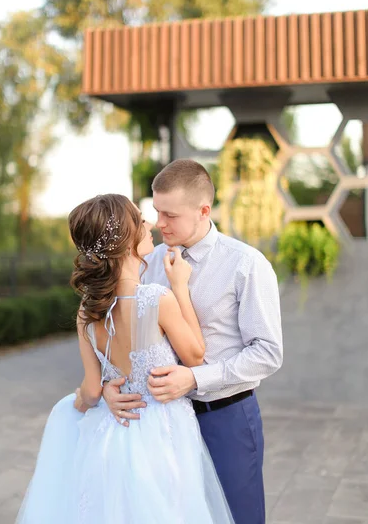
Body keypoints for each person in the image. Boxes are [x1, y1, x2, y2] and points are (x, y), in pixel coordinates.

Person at [16, 193, 234, 524]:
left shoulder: (87, 312)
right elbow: (195, 355)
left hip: (113, 434)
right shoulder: (156, 298)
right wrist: (180, 287)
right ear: (124, 240)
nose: (148, 225)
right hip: (164, 433)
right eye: (139, 219)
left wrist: (101, 391)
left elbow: (89, 391)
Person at [104, 159, 283, 524]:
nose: (158, 223)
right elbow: (118, 332)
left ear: (204, 211)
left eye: (170, 214)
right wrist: (109, 384)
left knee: (237, 518)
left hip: (226, 418)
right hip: (160, 426)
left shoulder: (246, 264)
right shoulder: (146, 261)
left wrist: (195, 378)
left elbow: (267, 353)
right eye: (156, 211)